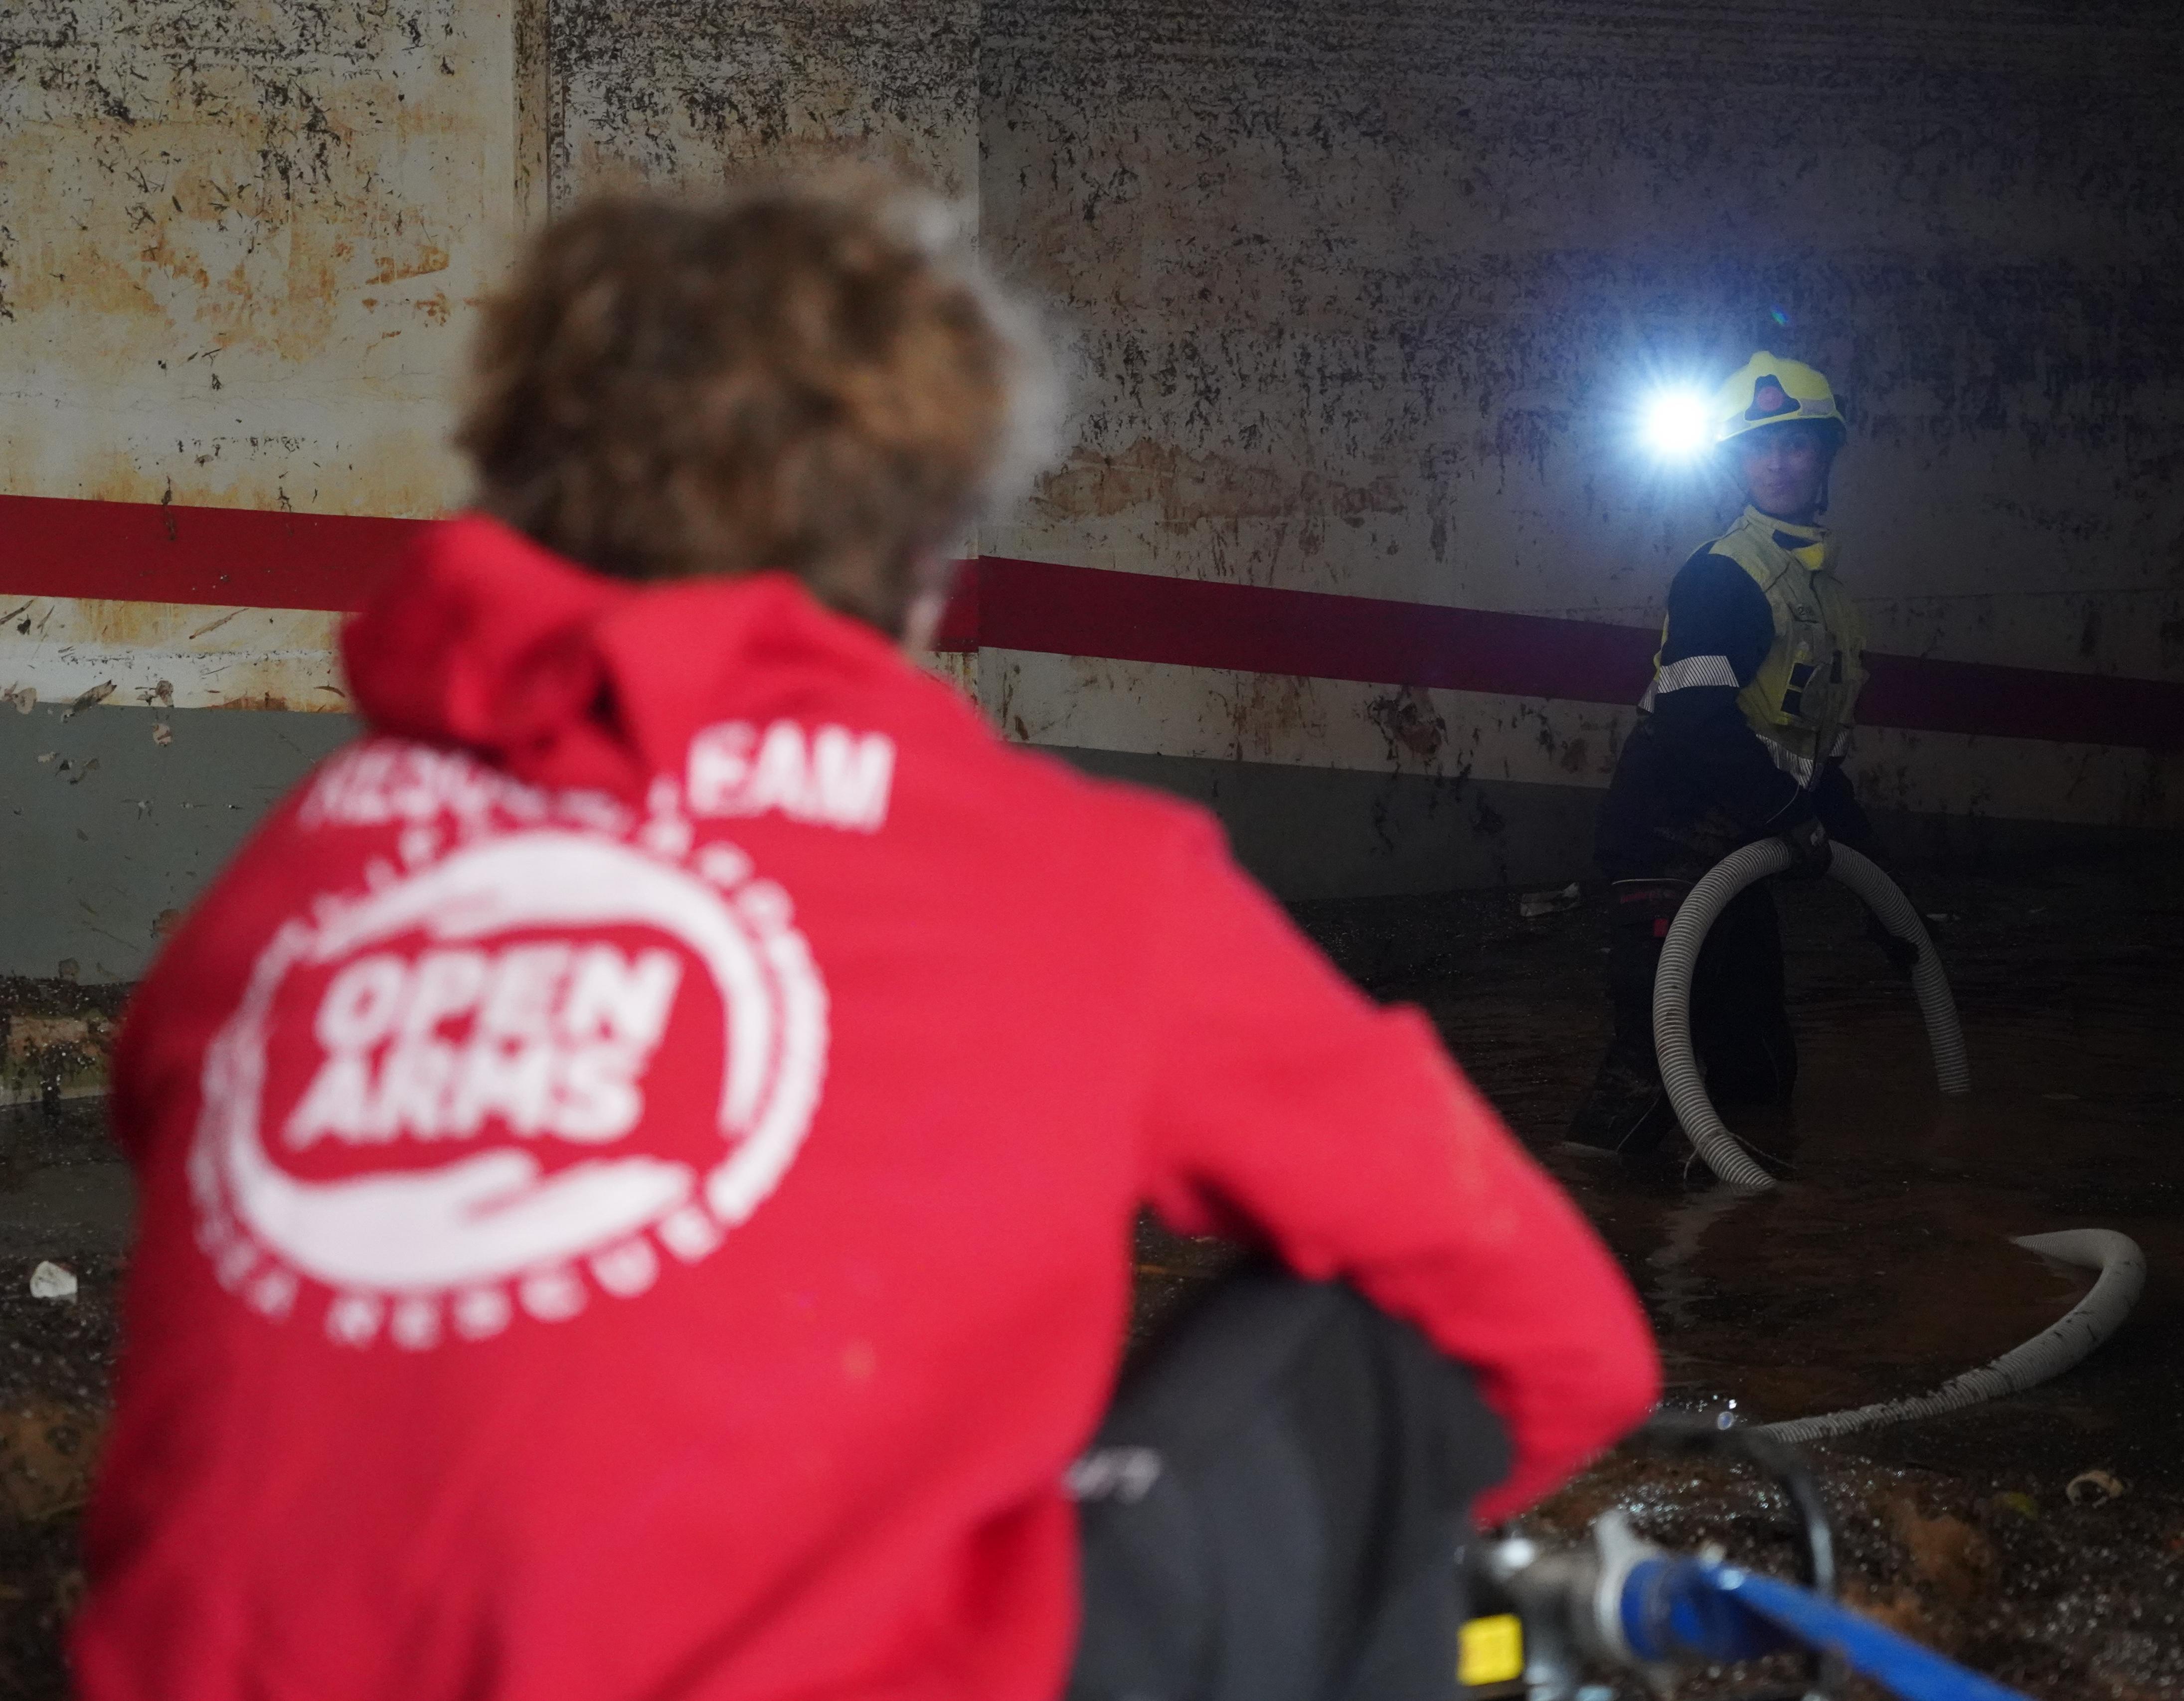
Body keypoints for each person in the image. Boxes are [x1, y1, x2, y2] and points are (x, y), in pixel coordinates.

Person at [73, 170, 1660, 1701]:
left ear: (524, 475)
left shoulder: (295, 875)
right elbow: (1558, 1341)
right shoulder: (1076, 875)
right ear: (924, 553)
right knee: (1363, 1329)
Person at [1571, 351, 1876, 1159]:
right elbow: (1697, 721)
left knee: (1761, 1071)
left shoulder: (1824, 594)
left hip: (1738, 850)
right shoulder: (1722, 576)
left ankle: (1744, 1243)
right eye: (1757, 447)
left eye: (1796, 445)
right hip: (1668, 851)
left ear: (1825, 456)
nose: (1776, 463)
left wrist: (1888, 898)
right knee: (1646, 1085)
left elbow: (1815, 756)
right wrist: (1790, 821)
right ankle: (1589, 1235)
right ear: (1738, 464)